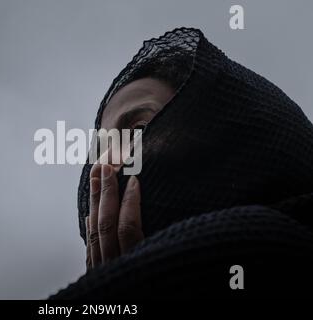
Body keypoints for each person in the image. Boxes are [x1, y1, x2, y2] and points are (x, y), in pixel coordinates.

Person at [50, 28, 313, 299]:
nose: (103, 167)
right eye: (101, 151)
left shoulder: (267, 239)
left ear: (221, 141)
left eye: (139, 130)